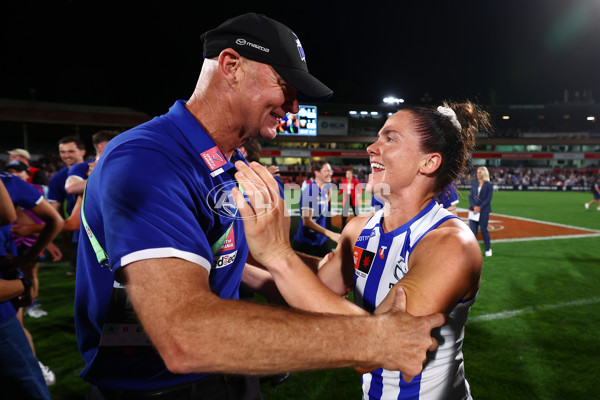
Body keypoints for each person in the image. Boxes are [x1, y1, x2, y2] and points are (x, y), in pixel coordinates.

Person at [75, 12, 444, 400]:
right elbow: (184, 334)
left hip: (227, 371)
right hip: (152, 388)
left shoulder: (235, 164)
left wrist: (325, 269)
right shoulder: (147, 159)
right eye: (286, 86)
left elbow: (240, 265)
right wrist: (372, 339)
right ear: (231, 67)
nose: (295, 106)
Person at [234, 100, 492, 400]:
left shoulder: (452, 245)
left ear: (428, 163)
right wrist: (233, 262)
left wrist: (279, 255)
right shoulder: (359, 229)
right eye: (377, 136)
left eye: (390, 138)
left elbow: (373, 347)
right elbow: (308, 294)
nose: (371, 147)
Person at [0, 171, 63, 398]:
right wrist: (22, 286)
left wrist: (27, 259)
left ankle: (34, 363)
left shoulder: (10, 183)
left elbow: (56, 220)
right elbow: (8, 216)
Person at [47, 136, 86, 275]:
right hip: (78, 229)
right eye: (62, 152)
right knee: (81, 273)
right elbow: (54, 209)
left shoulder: (96, 168)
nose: (66, 155)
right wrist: (63, 232)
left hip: (104, 223)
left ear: (83, 151)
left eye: (71, 151)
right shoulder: (57, 179)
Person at [292, 160, 340, 257]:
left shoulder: (324, 190)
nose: (330, 173)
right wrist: (330, 234)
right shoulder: (310, 191)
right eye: (326, 171)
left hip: (320, 241)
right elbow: (306, 221)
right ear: (317, 173)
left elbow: (324, 202)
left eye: (331, 171)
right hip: (306, 244)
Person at [469, 166, 494, 257]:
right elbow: (470, 197)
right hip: (473, 211)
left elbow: (488, 199)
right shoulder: (474, 184)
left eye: (479, 172)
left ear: (484, 173)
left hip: (484, 211)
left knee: (484, 230)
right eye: (477, 172)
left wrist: (479, 207)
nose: (477, 174)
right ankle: (472, 251)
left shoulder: (489, 185)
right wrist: (474, 206)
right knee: (473, 231)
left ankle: (488, 249)